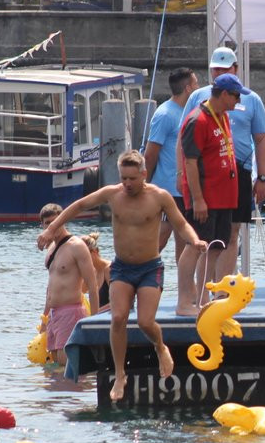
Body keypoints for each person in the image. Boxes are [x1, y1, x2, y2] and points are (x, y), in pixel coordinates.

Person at [37, 150, 208, 402]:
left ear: (143, 174)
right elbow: (79, 205)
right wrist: (52, 228)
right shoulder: (113, 194)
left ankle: (161, 348)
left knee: (145, 322)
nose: (127, 184)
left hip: (150, 268)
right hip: (122, 268)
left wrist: (195, 241)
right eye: (123, 178)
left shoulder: (159, 197)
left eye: (132, 178)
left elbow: (181, 224)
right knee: (118, 318)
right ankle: (119, 374)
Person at [180, 47, 265, 280]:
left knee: (230, 234)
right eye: (215, 69)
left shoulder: (251, 99)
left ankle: (221, 290)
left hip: (237, 171)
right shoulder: (198, 99)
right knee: (201, 239)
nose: (218, 73)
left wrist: (262, 177)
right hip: (206, 174)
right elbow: (183, 141)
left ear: (236, 69)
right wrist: (181, 177)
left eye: (224, 69)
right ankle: (197, 293)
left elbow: (261, 139)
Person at [177, 73, 247, 314]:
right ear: (224, 94)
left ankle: (204, 299)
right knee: (195, 245)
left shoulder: (223, 116)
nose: (238, 101)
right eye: (236, 96)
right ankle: (184, 301)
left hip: (224, 197)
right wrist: (197, 199)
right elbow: (190, 162)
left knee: (216, 247)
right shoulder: (198, 120)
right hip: (205, 198)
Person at [38, 203, 99, 366]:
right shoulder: (51, 248)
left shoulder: (76, 246)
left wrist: (94, 321)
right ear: (42, 225)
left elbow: (93, 286)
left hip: (71, 312)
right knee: (54, 369)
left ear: (62, 221)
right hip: (53, 315)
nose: (52, 226)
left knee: (67, 368)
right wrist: (44, 320)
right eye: (47, 223)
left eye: (55, 221)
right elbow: (50, 288)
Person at [147, 67, 197, 257]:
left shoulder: (189, 112)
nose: (198, 87)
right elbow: (151, 154)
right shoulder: (165, 114)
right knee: (161, 238)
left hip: (184, 189)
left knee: (184, 240)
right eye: (196, 84)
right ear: (188, 89)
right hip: (168, 188)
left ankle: (183, 284)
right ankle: (140, 276)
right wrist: (146, 184)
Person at [80, 232, 111, 312]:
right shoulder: (91, 272)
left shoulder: (109, 269)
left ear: (95, 252)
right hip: (97, 318)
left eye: (83, 255)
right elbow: (79, 293)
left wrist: (94, 313)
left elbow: (118, 302)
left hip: (112, 319)